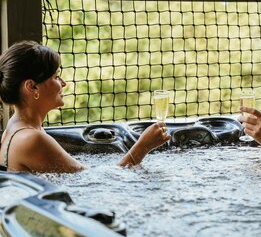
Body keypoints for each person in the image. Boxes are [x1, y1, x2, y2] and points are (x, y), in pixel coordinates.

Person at [0, 41, 170, 173]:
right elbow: (100, 183)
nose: (63, 83)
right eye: (56, 77)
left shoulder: (16, 128)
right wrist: (143, 147)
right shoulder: (31, 139)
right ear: (32, 87)